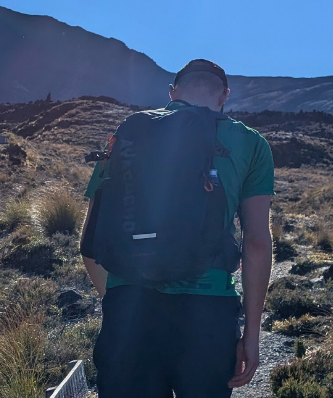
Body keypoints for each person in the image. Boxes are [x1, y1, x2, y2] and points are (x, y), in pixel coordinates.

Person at [81, 59, 274, 397]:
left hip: (130, 308)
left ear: (172, 93)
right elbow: (257, 243)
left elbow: (91, 242)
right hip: (208, 315)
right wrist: (251, 336)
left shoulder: (131, 130)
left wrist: (119, 301)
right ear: (224, 95)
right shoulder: (250, 143)